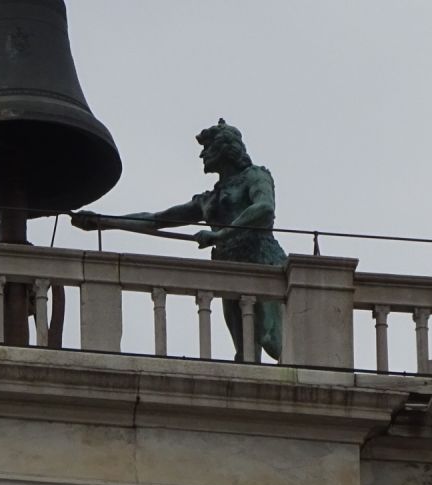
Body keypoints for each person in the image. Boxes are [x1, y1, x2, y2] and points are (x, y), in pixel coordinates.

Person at [71, 119, 285, 360]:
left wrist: (220, 234)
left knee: (272, 339)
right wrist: (104, 222)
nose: (203, 154)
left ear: (226, 148)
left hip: (262, 262)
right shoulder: (208, 200)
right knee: (245, 351)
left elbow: (265, 208)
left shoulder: (255, 176)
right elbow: (156, 220)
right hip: (230, 270)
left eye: (208, 147)